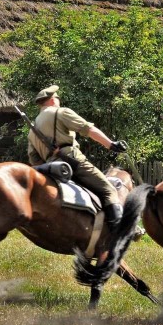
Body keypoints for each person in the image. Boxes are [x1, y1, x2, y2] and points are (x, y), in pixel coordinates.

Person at [27, 85, 128, 231]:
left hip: (52, 169)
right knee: (109, 190)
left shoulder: (33, 128)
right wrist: (111, 144)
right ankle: (119, 232)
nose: (59, 100)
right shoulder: (61, 113)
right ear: (51, 100)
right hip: (72, 161)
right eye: (57, 98)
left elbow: (34, 159)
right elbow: (88, 129)